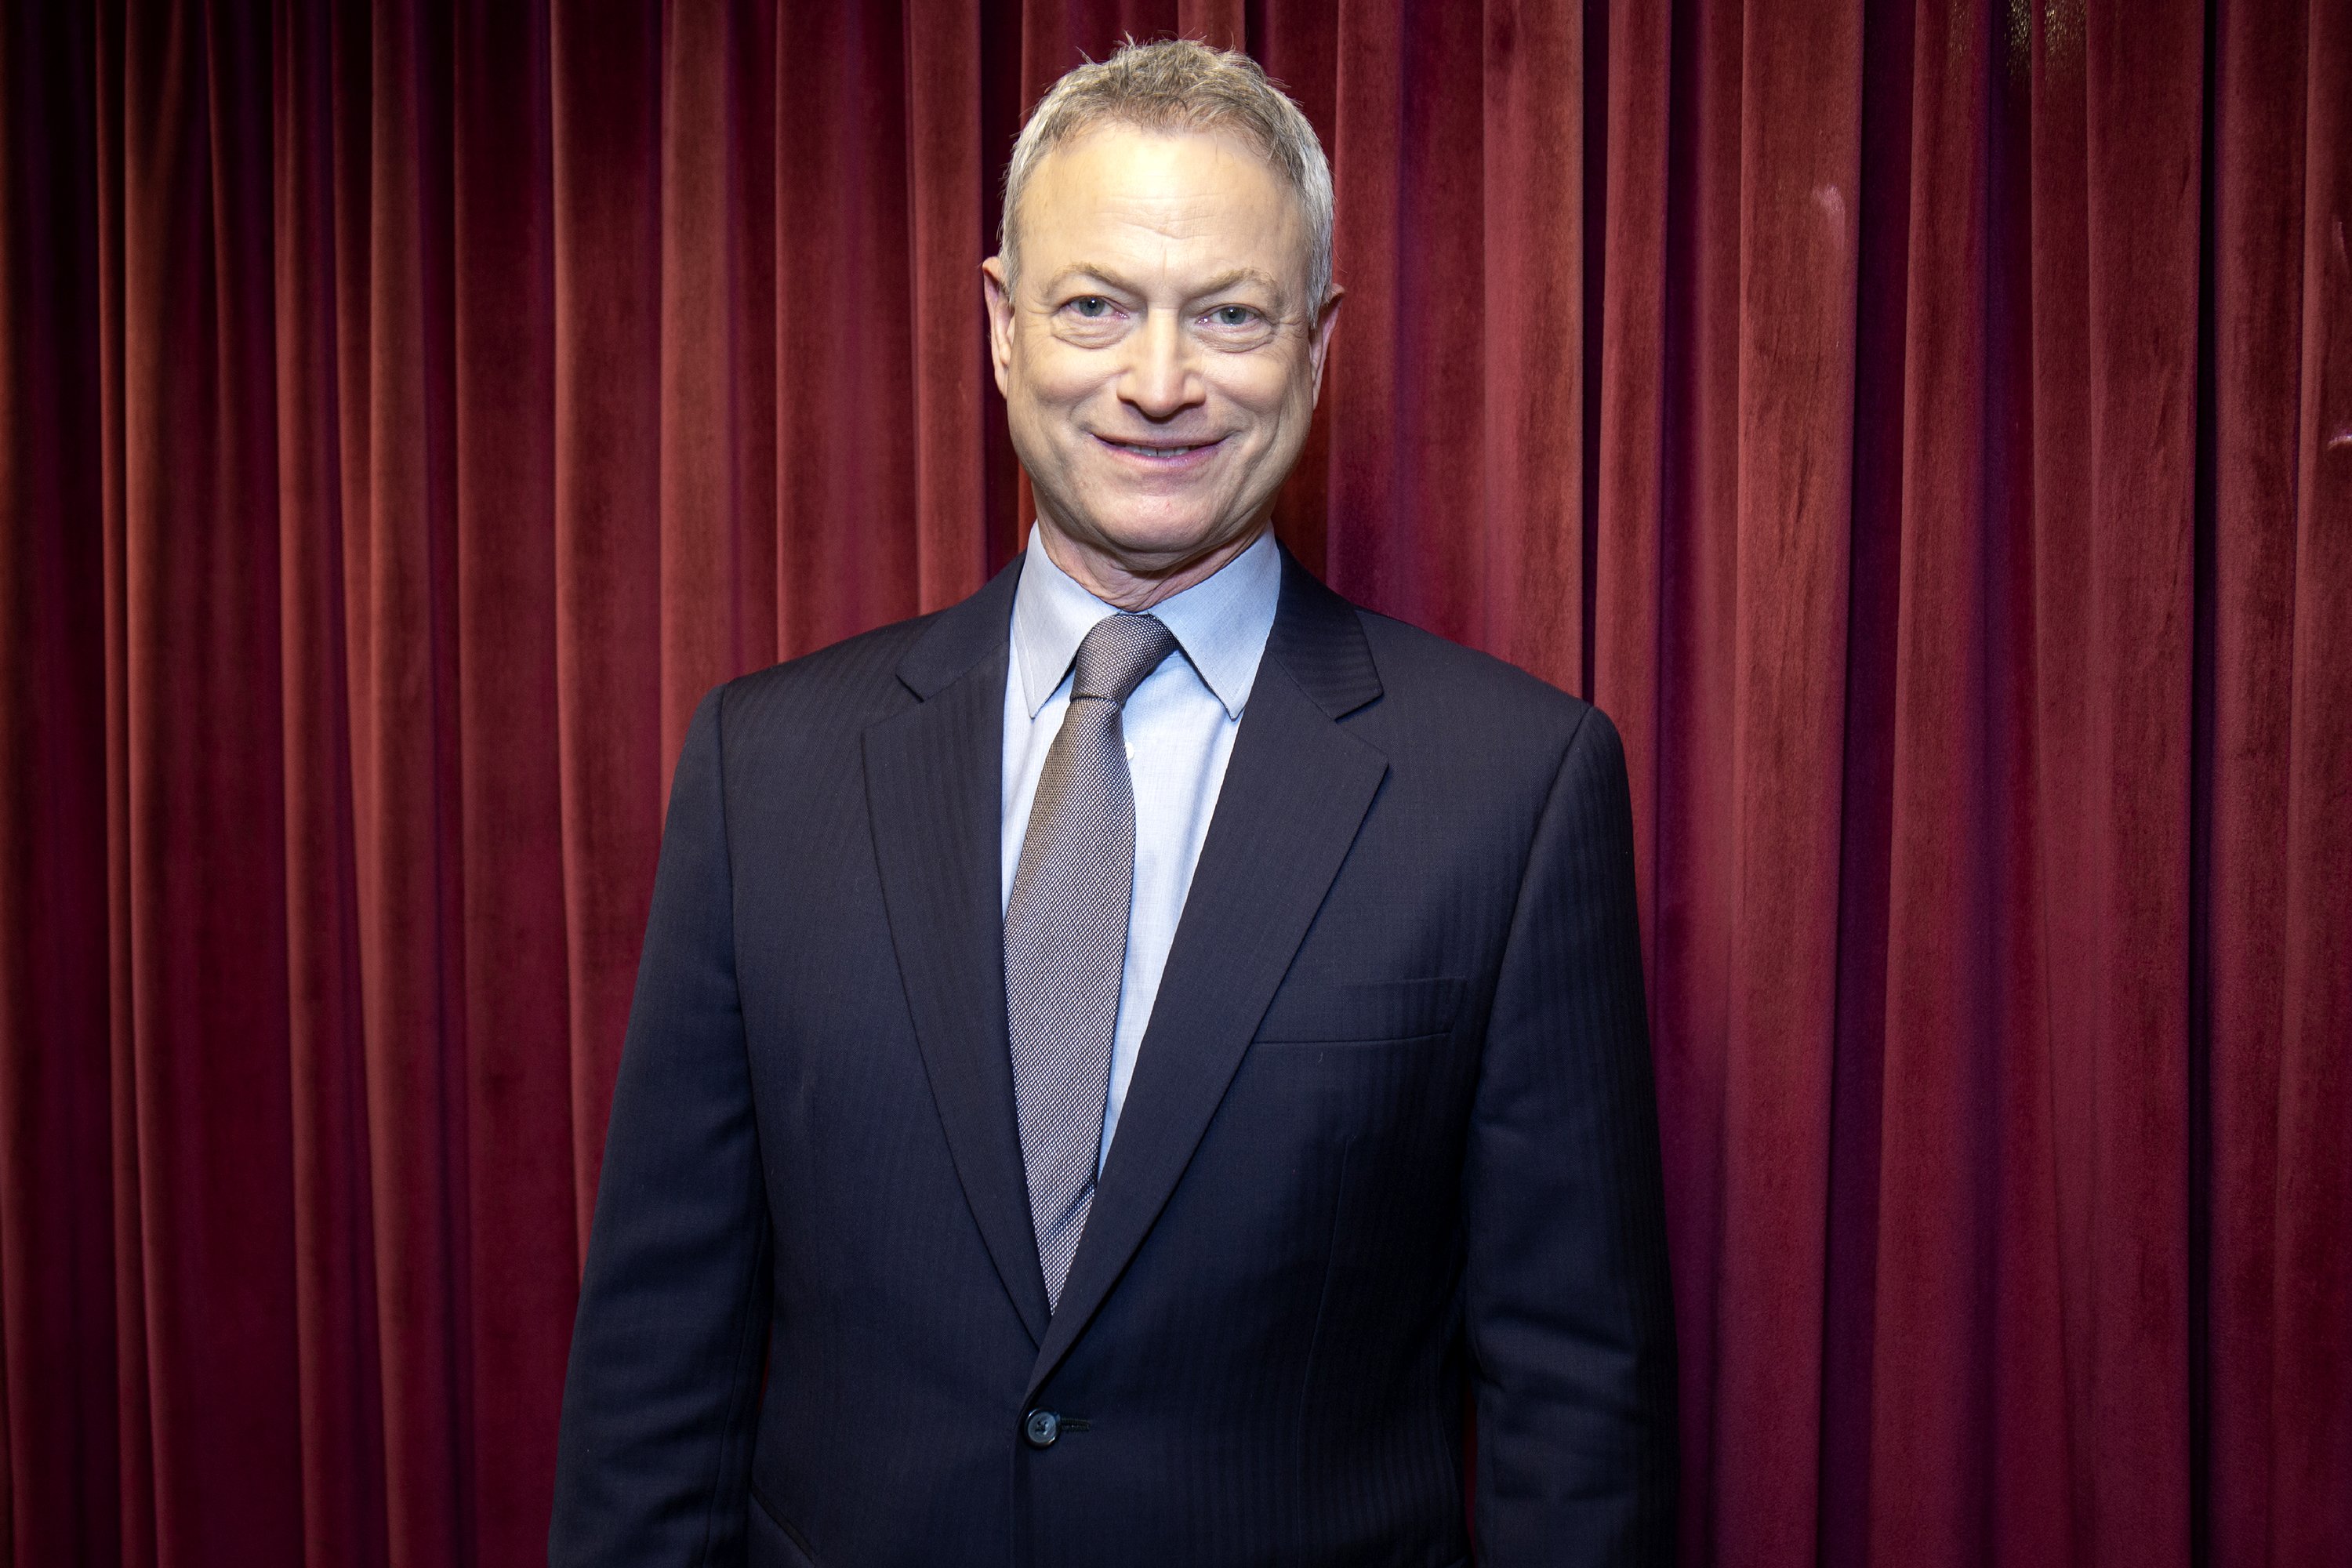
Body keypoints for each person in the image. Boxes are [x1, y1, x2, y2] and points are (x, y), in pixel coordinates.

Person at [550, 38, 1675, 1568]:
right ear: (1004, 327)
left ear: (1318, 346)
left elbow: (1575, 1406)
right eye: (1095, 307)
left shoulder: (1513, 789)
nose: (1159, 381)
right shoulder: (769, 767)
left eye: (1228, 313)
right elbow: (655, 1370)